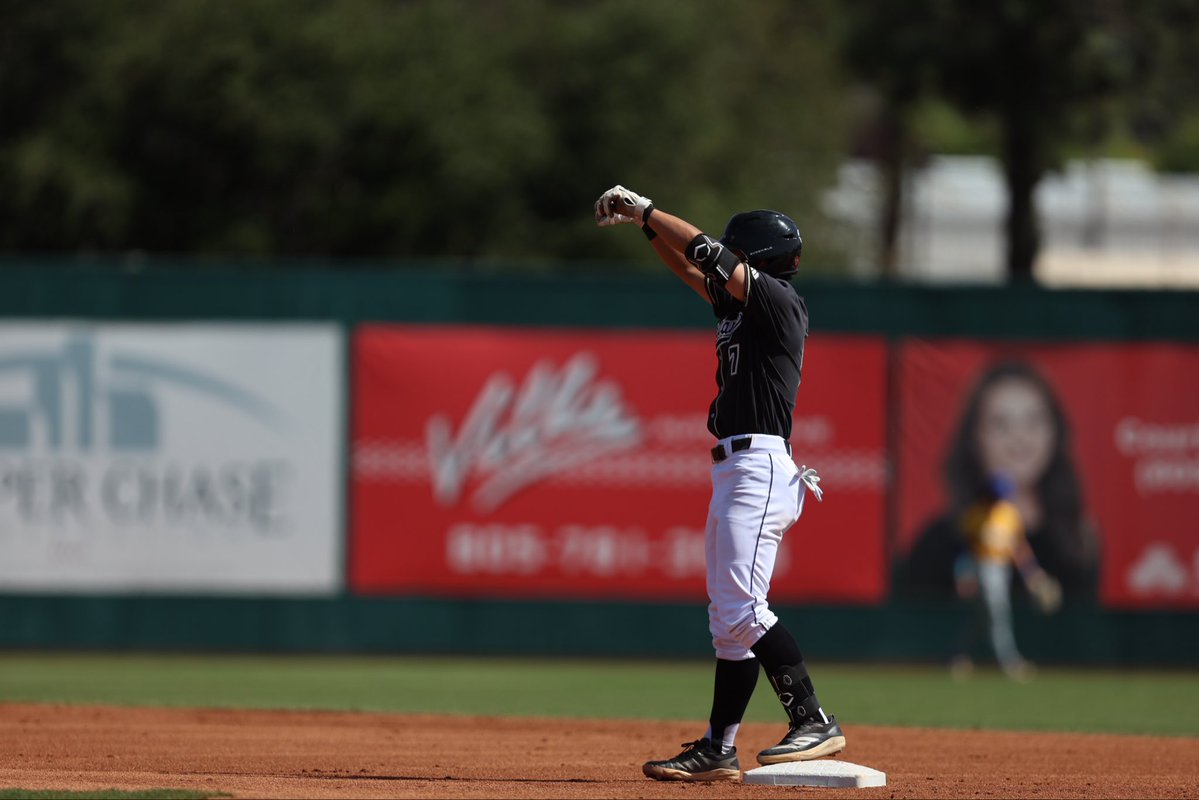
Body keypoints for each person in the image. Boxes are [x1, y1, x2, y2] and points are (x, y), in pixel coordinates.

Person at [594, 185, 840, 783]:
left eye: (736, 250)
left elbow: (703, 251)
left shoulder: (778, 301)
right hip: (736, 468)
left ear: (755, 254)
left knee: (742, 608)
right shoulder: (742, 308)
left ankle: (814, 719)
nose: (724, 255)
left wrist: (648, 209)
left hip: (759, 466)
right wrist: (646, 230)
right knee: (726, 620)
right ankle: (717, 748)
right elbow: (689, 265)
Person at [902, 360, 1100, 603]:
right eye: (1000, 424)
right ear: (975, 438)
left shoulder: (1080, 538)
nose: (1019, 438)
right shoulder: (940, 543)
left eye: (1033, 421)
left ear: (1055, 432)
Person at [949, 471, 1062, 682]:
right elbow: (964, 548)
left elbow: (1018, 546)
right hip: (982, 566)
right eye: (996, 494)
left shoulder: (1009, 513)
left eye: (1002, 495)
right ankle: (1009, 661)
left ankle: (960, 655)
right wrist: (963, 574)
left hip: (1001, 568)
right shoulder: (977, 513)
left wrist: (1031, 572)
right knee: (997, 613)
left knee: (982, 615)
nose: (998, 499)